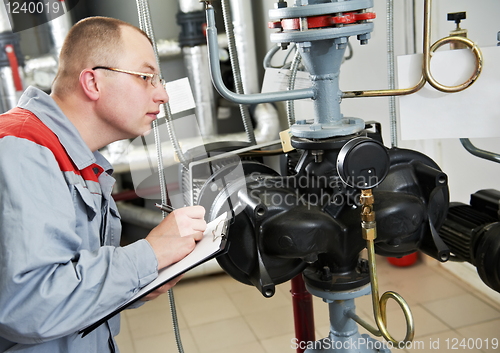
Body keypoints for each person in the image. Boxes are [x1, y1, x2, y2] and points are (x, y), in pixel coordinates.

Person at [0, 16, 206, 352]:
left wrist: (142, 282)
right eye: (146, 77)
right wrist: (148, 255)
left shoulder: (79, 161)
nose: (163, 94)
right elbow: (28, 303)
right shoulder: (23, 148)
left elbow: (71, 284)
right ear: (92, 83)